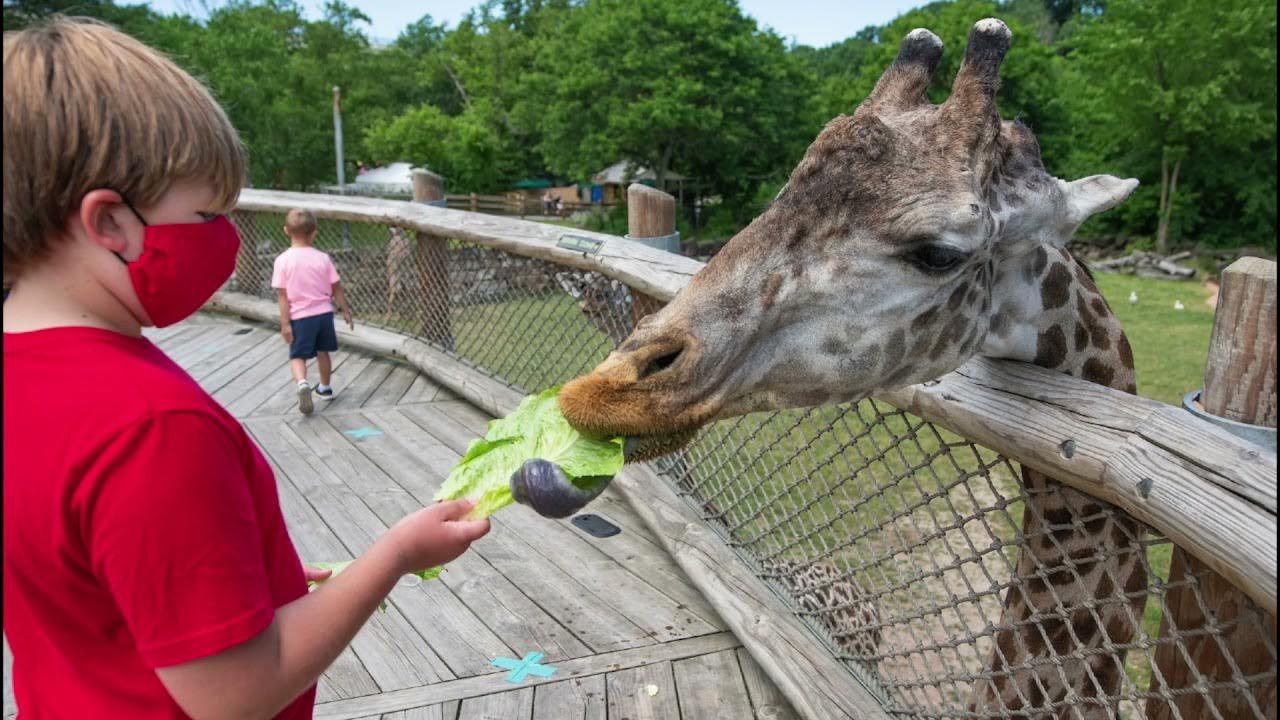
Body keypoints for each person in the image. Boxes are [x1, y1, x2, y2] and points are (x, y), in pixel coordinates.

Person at [2, 17, 490, 720]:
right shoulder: (151, 428)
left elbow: (89, 584)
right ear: (109, 223)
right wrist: (393, 556)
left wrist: (261, 583)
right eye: (207, 215)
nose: (225, 239)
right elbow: (234, 695)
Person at [271, 209, 354, 415]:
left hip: (300, 317)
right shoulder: (323, 258)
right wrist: (345, 311)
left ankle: (302, 384)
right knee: (322, 352)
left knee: (298, 355)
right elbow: (336, 287)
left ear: (286, 231)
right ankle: (325, 388)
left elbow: (282, 295)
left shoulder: (282, 261)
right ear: (314, 234)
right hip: (324, 314)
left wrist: (285, 323)